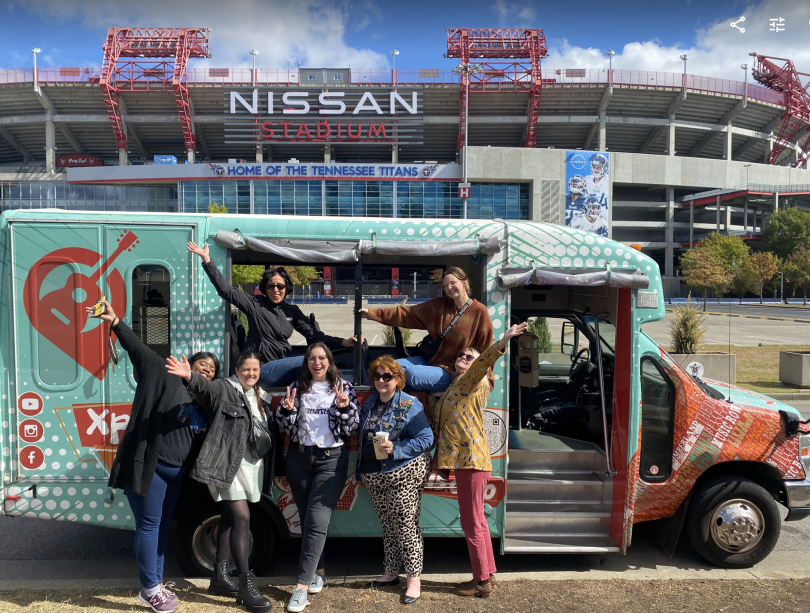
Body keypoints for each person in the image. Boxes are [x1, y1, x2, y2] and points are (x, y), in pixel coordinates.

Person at [97, 300, 219, 613]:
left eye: (212, 370)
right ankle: (149, 589)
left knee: (162, 526)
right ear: (187, 365)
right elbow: (141, 352)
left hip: (176, 475)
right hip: (151, 468)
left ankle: (156, 581)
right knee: (150, 527)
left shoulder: (205, 400)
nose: (206, 372)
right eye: (200, 366)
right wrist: (116, 323)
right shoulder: (165, 378)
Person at [165, 350, 275, 613]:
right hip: (227, 467)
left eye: (255, 370)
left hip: (249, 467)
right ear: (236, 370)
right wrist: (190, 376)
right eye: (246, 369)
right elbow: (206, 390)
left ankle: (219, 578)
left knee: (228, 517)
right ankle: (246, 586)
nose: (250, 374)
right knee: (242, 518)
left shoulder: (260, 396)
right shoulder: (225, 388)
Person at [429, 321, 528, 599]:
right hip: (468, 461)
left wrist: (501, 343)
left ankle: (481, 581)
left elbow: (482, 364)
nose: (463, 358)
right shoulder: (457, 385)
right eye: (460, 355)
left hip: (470, 460)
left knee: (471, 523)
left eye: (469, 356)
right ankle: (489, 574)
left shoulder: (475, 380)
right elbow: (442, 415)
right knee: (479, 522)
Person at [187, 241, 359, 388]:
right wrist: (207, 259)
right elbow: (225, 290)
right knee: (311, 360)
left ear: (287, 288)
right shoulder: (255, 303)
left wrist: (344, 342)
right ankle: (338, 387)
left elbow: (315, 336)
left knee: (316, 359)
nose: (276, 290)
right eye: (271, 286)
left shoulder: (292, 311)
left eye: (280, 286)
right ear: (265, 288)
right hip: (261, 369)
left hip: (280, 367)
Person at [275, 343, 360, 613]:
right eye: (312, 358)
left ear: (329, 361)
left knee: (316, 520)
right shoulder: (297, 387)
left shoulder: (343, 388)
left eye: (322, 358)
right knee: (307, 521)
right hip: (299, 460)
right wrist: (286, 411)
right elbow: (284, 425)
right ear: (307, 363)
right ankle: (319, 570)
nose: (317, 362)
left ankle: (300, 586)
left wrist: (344, 408)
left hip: (331, 460)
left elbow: (351, 427)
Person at [356, 356, 434, 606]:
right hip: (375, 475)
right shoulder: (369, 404)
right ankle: (391, 572)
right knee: (388, 524)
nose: (381, 380)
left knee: (406, 526)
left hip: (403, 473)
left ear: (398, 379)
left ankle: (413, 579)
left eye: (387, 376)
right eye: (377, 376)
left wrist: (396, 448)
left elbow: (425, 439)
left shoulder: (410, 405)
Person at [358, 266, 493, 391]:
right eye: (445, 286)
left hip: (453, 371)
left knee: (412, 374)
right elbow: (407, 313)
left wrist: (487, 380)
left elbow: (487, 350)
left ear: (464, 282)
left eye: (453, 283)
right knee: (388, 368)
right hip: (431, 360)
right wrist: (371, 313)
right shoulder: (439, 305)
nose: (449, 287)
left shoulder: (479, 312)